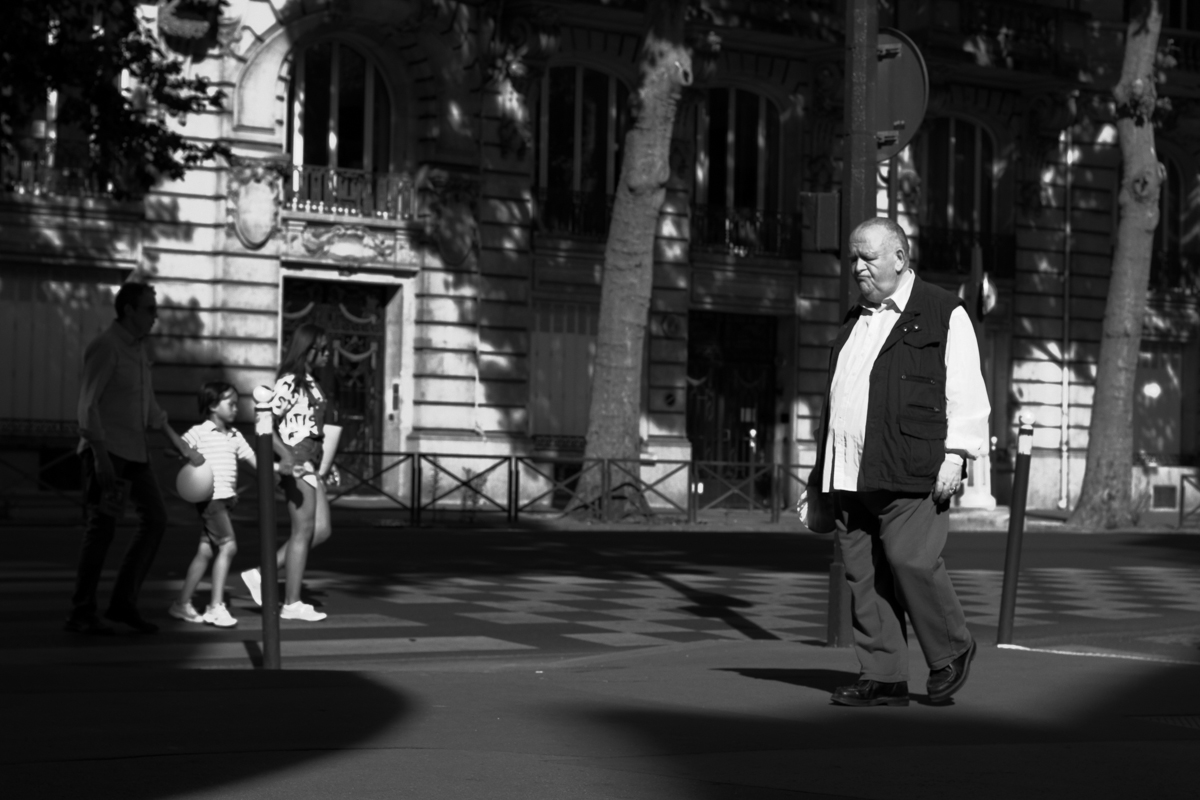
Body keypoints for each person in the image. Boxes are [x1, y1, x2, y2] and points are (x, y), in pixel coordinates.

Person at [812, 217, 990, 707]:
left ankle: (952, 648)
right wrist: (819, 478)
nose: (858, 267)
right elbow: (838, 401)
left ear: (900, 257)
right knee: (864, 577)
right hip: (849, 472)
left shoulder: (942, 311)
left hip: (913, 469)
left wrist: (957, 455)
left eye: (868, 257)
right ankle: (883, 675)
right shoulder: (855, 318)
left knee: (912, 561)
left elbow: (967, 392)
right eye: (853, 258)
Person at [67, 282, 205, 635]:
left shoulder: (139, 350)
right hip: (108, 454)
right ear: (128, 310)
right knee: (101, 531)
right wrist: (100, 457)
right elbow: (87, 406)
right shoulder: (106, 347)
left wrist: (180, 444)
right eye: (149, 309)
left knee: (156, 519)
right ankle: (81, 613)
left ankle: (122, 603)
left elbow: (152, 411)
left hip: (135, 452)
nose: (155, 316)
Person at [241, 323, 342, 622]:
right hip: (297, 463)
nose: (326, 355)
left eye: (327, 350)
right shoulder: (290, 382)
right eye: (321, 349)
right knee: (302, 532)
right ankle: (292, 602)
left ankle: (261, 573)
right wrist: (285, 455)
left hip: (310, 461)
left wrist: (324, 459)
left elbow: (311, 427)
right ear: (306, 349)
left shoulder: (311, 381)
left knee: (320, 530)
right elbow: (264, 425)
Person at [167, 382, 260, 628]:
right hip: (210, 500)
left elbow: (256, 462)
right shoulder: (200, 431)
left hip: (227, 500)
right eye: (230, 404)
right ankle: (215, 606)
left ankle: (182, 603)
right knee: (228, 546)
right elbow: (177, 447)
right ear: (212, 406)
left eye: (236, 404)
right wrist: (185, 454)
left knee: (206, 551)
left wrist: (281, 469)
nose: (236, 409)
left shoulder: (235, 436)